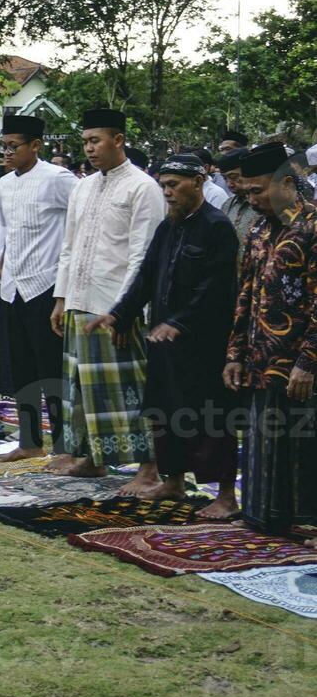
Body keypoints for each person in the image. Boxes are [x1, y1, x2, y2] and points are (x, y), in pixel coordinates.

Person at [88, 153, 240, 516]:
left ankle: (225, 498)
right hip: (161, 339)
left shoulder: (217, 226)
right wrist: (118, 313)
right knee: (164, 411)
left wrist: (181, 322)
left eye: (174, 185)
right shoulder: (167, 227)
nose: (167, 192)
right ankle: (172, 482)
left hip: (201, 343)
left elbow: (217, 287)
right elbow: (145, 277)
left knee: (209, 416)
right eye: (163, 185)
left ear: (199, 182)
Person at [53, 108, 164, 491]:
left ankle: (148, 470)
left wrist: (125, 311)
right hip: (80, 301)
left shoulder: (142, 186)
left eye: (95, 140)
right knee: (82, 387)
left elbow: (142, 255)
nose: (88, 149)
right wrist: (61, 297)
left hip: (115, 306)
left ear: (118, 140)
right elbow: (68, 247)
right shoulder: (82, 186)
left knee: (128, 389)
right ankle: (93, 460)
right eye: (85, 142)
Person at [224, 143, 317, 544]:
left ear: (287, 183)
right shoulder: (261, 229)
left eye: (257, 191)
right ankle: (266, 519)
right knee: (266, 440)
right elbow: (244, 294)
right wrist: (236, 354)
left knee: (306, 444)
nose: (251, 199)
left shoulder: (313, 227)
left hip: (302, 360)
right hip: (264, 356)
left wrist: (309, 360)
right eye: (246, 193)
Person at [0, 114, 77, 463]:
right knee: (21, 368)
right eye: (2, 146)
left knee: (50, 368)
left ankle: (65, 447)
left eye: (13, 146)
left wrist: (66, 283)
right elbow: (1, 229)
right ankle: (30, 441)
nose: (6, 152)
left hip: (47, 284)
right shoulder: (5, 184)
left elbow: (79, 221)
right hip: (13, 287)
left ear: (36, 145)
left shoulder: (58, 179)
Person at [218, 148, 260, 267]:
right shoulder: (228, 205)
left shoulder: (263, 204)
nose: (229, 184)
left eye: (234, 177)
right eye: (225, 178)